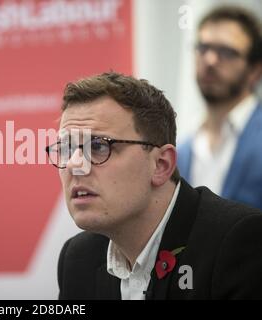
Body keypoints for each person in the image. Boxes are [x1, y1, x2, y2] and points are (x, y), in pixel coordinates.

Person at [46, 71, 262, 300]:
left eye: (99, 146)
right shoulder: (79, 259)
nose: (74, 164)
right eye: (67, 149)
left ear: (161, 164)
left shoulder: (238, 242)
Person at [177, 6, 262, 210]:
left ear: (255, 70)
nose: (210, 60)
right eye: (203, 48)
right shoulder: (184, 144)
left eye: (227, 52)